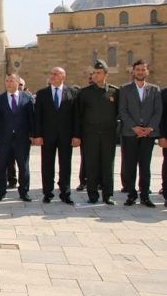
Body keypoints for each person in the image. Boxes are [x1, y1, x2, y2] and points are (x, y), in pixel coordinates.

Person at [73, 59, 120, 205]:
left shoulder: (114, 92)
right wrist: (78, 135)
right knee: (91, 165)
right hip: (90, 135)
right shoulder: (84, 93)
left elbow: (119, 113)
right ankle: (92, 195)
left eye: (98, 73)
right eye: (94, 73)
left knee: (108, 164)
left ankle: (108, 195)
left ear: (105, 74)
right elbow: (78, 116)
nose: (95, 75)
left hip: (108, 135)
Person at [119, 60, 161, 207]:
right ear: (133, 71)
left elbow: (158, 111)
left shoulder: (155, 90)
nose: (140, 72)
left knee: (145, 166)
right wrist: (134, 127)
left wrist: (150, 128)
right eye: (138, 70)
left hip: (148, 135)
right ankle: (131, 194)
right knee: (129, 166)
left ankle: (145, 196)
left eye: (143, 70)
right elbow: (122, 111)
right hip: (130, 134)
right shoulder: (124, 89)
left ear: (147, 72)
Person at [33, 67, 77, 204]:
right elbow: (37, 116)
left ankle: (65, 192)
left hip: (66, 136)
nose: (52, 76)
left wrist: (76, 135)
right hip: (47, 136)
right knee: (47, 165)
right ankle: (48, 193)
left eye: (56, 74)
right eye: (51, 73)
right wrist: (37, 135)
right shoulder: (42, 94)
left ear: (63, 77)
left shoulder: (73, 93)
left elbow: (76, 117)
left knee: (65, 165)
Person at [0, 74, 35, 202]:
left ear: (17, 82)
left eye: (11, 81)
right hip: (4, 139)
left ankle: (24, 192)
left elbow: (32, 118)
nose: (8, 83)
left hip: (22, 139)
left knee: (23, 166)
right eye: (6, 81)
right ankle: (1, 192)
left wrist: (32, 135)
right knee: (1, 165)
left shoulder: (27, 98)